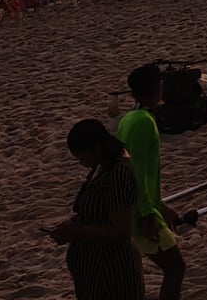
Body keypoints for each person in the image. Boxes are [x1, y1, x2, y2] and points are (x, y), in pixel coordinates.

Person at [49, 119, 143, 300]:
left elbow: (121, 231)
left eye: (82, 158)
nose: (82, 164)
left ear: (97, 148)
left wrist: (79, 231)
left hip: (110, 271)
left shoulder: (118, 173)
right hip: (95, 272)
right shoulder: (101, 168)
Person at [119, 65, 184, 300]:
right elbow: (136, 173)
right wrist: (148, 215)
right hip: (140, 211)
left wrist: (161, 207)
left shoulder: (131, 118)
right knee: (175, 268)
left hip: (143, 206)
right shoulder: (143, 123)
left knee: (174, 268)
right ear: (157, 88)